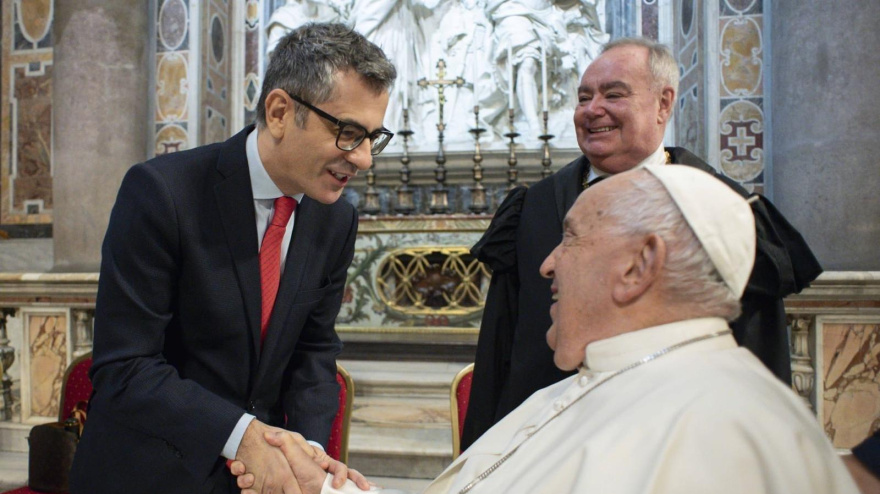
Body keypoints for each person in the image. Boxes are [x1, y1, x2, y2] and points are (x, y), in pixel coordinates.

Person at [232, 165, 858, 494]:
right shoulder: (613, 379)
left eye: (572, 238)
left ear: (639, 266)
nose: (547, 264)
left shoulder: (716, 433)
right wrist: (324, 491)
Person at [69, 23, 395, 494]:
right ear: (280, 112)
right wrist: (242, 436)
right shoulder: (163, 193)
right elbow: (126, 366)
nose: (364, 159)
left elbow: (313, 351)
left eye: (373, 138)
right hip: (150, 473)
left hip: (263, 479)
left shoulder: (335, 218)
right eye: (348, 133)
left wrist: (306, 455)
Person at [460, 36, 823, 450]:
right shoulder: (534, 208)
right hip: (543, 446)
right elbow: (499, 350)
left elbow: (757, 349)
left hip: (678, 446)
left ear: (663, 103)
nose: (592, 109)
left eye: (613, 94)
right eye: (584, 97)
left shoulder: (719, 210)